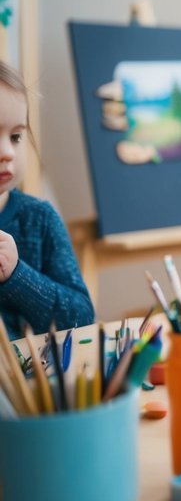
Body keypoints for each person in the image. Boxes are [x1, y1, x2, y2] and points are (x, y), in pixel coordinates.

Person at [0, 60, 94, 338]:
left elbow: (82, 317)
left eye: (16, 136)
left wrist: (18, 275)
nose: (8, 152)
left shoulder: (39, 219)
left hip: (30, 379)